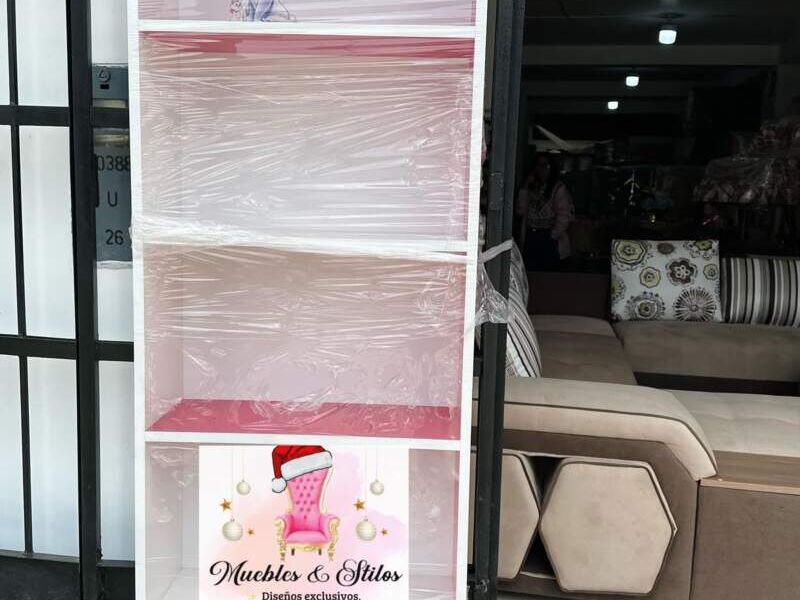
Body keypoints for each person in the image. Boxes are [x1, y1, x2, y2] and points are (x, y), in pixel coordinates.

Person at [515, 153, 574, 270]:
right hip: (531, 235)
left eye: (545, 166)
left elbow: (564, 214)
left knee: (548, 271)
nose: (541, 170)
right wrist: (525, 187)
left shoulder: (558, 188)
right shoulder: (531, 187)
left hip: (549, 236)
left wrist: (553, 234)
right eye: (538, 165)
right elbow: (520, 210)